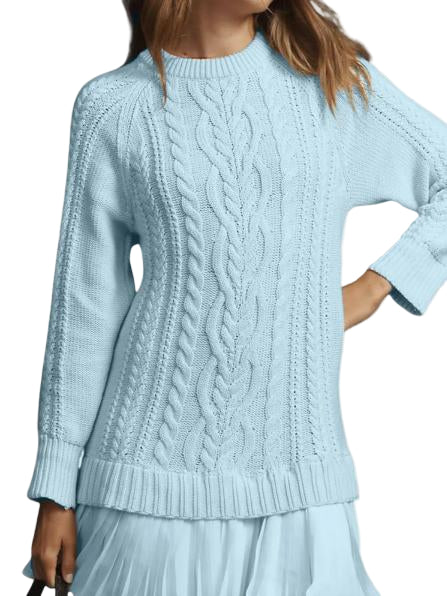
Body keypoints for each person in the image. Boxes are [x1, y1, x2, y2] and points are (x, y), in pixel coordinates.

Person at [23, 0, 447, 594]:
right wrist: (56, 490)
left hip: (301, 477)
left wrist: (375, 288)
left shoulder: (327, 85)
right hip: (143, 483)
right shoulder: (114, 107)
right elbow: (87, 307)